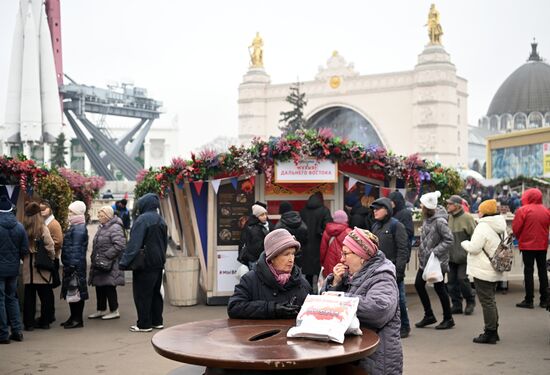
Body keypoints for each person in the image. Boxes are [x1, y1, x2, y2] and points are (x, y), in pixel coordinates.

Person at [322, 227, 402, 375]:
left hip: (376, 360)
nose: (342, 259)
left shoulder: (382, 276)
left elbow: (379, 310)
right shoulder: (351, 274)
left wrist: (340, 300)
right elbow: (326, 305)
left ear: (362, 256)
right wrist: (335, 284)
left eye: (346, 253)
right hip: (357, 354)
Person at [228, 229, 311, 319]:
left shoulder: (301, 282)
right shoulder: (250, 280)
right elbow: (234, 307)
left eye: (293, 254)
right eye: (286, 254)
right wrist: (271, 308)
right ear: (272, 258)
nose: (291, 259)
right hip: (263, 332)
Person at [119, 193, 168, 332]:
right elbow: (164, 244)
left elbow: (134, 244)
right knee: (155, 293)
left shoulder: (142, 220)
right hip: (158, 262)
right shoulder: (161, 220)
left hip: (144, 263)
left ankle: (144, 324)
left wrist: (124, 262)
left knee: (142, 294)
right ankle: (157, 321)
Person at [461, 199, 507, 344]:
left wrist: (464, 243)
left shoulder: (482, 227)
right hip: (494, 267)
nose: (478, 212)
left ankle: (490, 332)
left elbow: (474, 248)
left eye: (480, 210)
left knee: (487, 302)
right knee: (491, 300)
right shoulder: (501, 226)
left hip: (483, 269)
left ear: (485, 212)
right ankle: (494, 330)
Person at [370, 197, 410, 338]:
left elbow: (402, 249)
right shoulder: (375, 226)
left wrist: (399, 271)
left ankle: (405, 326)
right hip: (377, 269)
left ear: (386, 210)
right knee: (382, 300)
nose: (374, 211)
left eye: (377, 209)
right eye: (373, 209)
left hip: (393, 270)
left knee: (400, 299)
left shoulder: (396, 225)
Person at [414, 191, 455, 330]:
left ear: (426, 207)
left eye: (422, 205)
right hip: (427, 260)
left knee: (439, 288)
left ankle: (448, 318)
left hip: (436, 261)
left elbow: (449, 239)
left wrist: (434, 252)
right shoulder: (428, 218)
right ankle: (430, 315)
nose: (420, 207)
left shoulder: (439, 221)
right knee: (419, 284)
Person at [512, 188, 550, 309]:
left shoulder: (523, 210)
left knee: (528, 271)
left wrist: (520, 237)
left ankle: (529, 300)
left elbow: (516, 228)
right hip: (542, 245)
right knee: (542, 271)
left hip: (528, 246)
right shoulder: (546, 211)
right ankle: (545, 299)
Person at [21, 202, 56, 331]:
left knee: (29, 297)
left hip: (27, 266)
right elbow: (50, 245)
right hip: (41, 266)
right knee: (45, 296)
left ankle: (29, 323)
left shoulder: (23, 228)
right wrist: (51, 258)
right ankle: (45, 321)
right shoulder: (42, 228)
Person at [88, 206, 126, 320]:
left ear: (108, 216)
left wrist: (106, 255)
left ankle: (114, 310)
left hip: (110, 263)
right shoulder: (103, 227)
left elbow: (120, 244)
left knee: (109, 287)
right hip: (100, 263)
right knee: (100, 286)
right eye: (98, 215)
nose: (99, 217)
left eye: (101, 215)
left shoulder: (115, 227)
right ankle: (101, 309)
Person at [0, 195, 28, 344]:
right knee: (12, 299)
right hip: (13, 268)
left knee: (1, 300)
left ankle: (3, 334)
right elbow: (24, 249)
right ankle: (17, 331)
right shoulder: (19, 226)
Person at [446, 195, 477, 316]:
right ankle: (457, 304)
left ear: (457, 205)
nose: (447, 206)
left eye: (450, 204)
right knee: (451, 282)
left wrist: (470, 251)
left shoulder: (468, 218)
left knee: (462, 279)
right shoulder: (449, 218)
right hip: (451, 256)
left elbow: (474, 237)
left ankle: (470, 301)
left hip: (464, 256)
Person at [60, 201, 89, 329]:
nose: (69, 214)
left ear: (77, 213)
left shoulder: (79, 228)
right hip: (73, 265)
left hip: (75, 266)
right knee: (72, 292)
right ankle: (73, 317)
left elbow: (76, 249)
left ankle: (77, 319)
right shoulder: (75, 226)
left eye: (71, 212)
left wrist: (72, 265)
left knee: (76, 292)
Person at [300, 192, 332, 291]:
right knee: (320, 273)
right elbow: (328, 227)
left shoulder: (303, 211)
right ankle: (319, 293)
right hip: (319, 244)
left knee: (308, 274)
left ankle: (308, 292)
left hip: (306, 245)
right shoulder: (324, 210)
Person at [39, 199, 63, 323]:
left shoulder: (53, 224)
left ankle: (48, 316)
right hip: (49, 257)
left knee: (47, 290)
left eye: (45, 209)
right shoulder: (45, 222)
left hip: (51, 258)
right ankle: (48, 315)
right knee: (46, 290)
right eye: (40, 209)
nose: (42, 211)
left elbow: (58, 241)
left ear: (50, 209)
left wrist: (46, 250)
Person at [239, 204, 272, 269]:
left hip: (263, 259)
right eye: (262, 215)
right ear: (257, 216)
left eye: (265, 214)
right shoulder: (253, 227)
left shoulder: (266, 225)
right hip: (256, 260)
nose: (265, 216)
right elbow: (256, 247)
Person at [320, 210, 351, 278]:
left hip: (329, 261)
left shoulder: (327, 231)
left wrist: (322, 262)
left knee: (331, 282)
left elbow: (323, 249)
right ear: (346, 219)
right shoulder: (349, 232)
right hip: (344, 262)